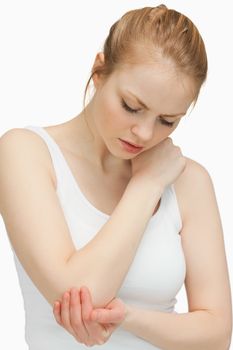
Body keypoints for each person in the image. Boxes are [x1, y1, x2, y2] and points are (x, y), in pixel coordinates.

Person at [0, 3, 232, 350]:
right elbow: (77, 296)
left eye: (167, 121)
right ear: (99, 71)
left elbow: (216, 334)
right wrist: (147, 185)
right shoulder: (25, 152)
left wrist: (130, 318)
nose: (143, 132)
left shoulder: (189, 181)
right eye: (131, 106)